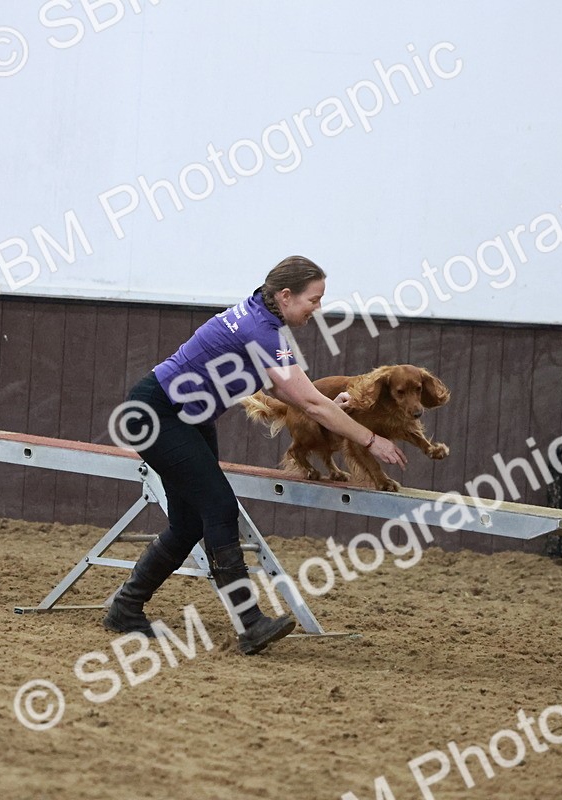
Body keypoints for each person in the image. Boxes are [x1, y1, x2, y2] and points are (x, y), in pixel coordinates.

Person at [103, 255, 408, 654]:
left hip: (184, 416)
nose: (317, 308)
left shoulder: (258, 317)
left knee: (190, 522)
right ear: (285, 295)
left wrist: (335, 406)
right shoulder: (263, 331)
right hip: (159, 416)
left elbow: (290, 394)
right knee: (218, 507)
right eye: (313, 299)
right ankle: (249, 623)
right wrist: (370, 439)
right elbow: (311, 406)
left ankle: (126, 607)